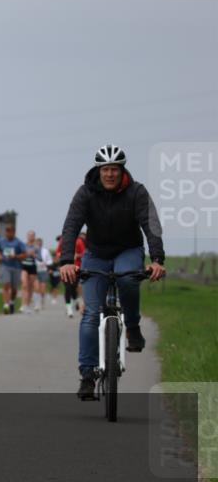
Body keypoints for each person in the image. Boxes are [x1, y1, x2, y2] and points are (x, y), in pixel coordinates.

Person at [59, 144, 165, 401]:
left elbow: (151, 225)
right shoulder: (86, 193)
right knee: (91, 314)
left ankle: (132, 327)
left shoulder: (137, 192)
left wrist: (157, 260)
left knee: (128, 279)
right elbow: (72, 226)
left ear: (122, 170)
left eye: (114, 169)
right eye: (105, 169)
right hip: (95, 253)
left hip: (128, 249)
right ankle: (87, 376)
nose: (109, 174)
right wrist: (66, 261)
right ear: (99, 170)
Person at [0, 224, 26, 314]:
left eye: (10, 231)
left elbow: (24, 255)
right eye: (6, 231)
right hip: (5, 266)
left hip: (16, 267)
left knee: (14, 289)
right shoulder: (1, 241)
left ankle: (12, 302)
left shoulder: (19, 242)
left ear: (13, 232)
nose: (8, 233)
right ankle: (6, 305)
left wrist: (16, 256)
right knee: (6, 285)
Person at [18, 230, 39, 313]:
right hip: (24, 266)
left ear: (34, 237)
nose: (31, 237)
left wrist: (35, 255)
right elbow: (20, 255)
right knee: (24, 285)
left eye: (32, 235)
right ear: (27, 236)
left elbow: (40, 257)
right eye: (29, 235)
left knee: (30, 287)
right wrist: (26, 254)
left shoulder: (36, 247)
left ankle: (27, 304)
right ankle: (22, 305)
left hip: (32, 267)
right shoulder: (23, 245)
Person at [33, 237, 53, 310]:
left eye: (40, 242)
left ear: (42, 243)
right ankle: (37, 304)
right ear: (35, 243)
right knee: (36, 287)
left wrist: (46, 264)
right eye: (37, 242)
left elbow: (50, 260)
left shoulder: (46, 251)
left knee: (43, 288)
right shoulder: (33, 251)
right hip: (35, 270)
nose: (39, 244)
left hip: (44, 270)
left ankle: (42, 301)